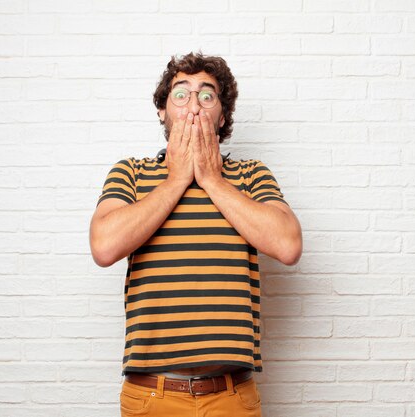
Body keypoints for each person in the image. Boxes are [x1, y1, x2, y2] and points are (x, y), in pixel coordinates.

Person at [89, 52, 302, 417]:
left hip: (231, 396)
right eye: (180, 94)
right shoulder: (132, 173)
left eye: (207, 96)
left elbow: (287, 245)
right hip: (151, 396)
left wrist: (212, 180)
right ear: (162, 111)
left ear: (222, 116)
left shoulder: (250, 175)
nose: (193, 105)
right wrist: (177, 179)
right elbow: (104, 246)